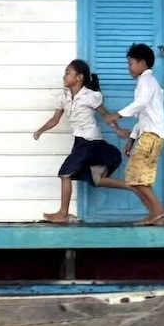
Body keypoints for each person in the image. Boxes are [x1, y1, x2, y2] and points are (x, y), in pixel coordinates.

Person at [34, 59, 128, 223]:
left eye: (68, 73)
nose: (65, 76)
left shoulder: (89, 96)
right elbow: (55, 119)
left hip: (89, 141)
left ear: (79, 77)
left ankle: (63, 214)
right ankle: (132, 186)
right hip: (82, 141)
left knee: (65, 173)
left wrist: (118, 129)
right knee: (97, 180)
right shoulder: (64, 96)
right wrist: (41, 130)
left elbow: (106, 115)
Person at [104, 44, 164, 226]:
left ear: (142, 63)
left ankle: (158, 210)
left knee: (135, 177)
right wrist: (132, 139)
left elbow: (140, 104)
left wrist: (116, 114)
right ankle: (155, 217)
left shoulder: (146, 82)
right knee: (138, 178)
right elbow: (143, 116)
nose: (128, 67)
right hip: (150, 134)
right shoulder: (148, 83)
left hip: (152, 136)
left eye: (131, 63)